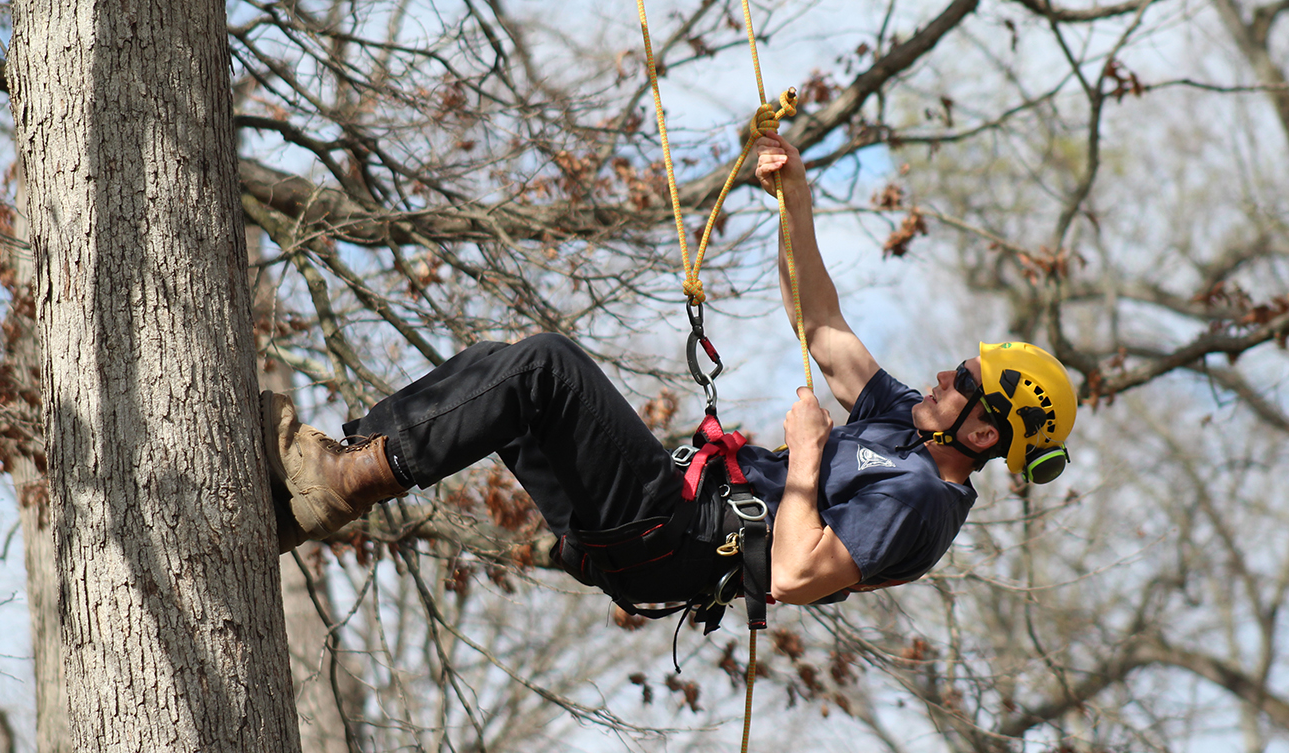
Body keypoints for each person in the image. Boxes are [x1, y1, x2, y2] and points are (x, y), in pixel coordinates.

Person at [260, 130, 1077, 614]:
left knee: (545, 367)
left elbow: (794, 574)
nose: (941, 375)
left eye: (961, 382)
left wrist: (802, 455)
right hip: (673, 510)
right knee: (499, 372)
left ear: (983, 431)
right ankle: (324, 479)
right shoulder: (902, 419)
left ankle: (338, 484)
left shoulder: (921, 500)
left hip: (677, 538)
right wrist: (796, 200)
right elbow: (819, 327)